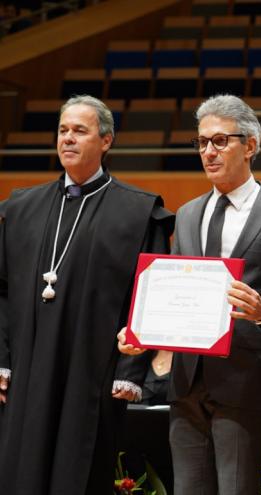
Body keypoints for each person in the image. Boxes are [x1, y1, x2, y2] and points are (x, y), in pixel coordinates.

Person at [120, 94, 261, 495]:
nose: (209, 151)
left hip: (243, 379)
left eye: (221, 141)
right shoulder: (188, 212)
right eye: (202, 142)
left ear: (251, 146)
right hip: (186, 381)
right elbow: (170, 290)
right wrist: (140, 332)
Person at [0, 95, 174, 494]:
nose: (68, 139)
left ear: (107, 141)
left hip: (92, 376)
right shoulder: (21, 206)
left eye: (80, 130)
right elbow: (2, 289)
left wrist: (130, 373)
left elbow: (149, 298)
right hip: (25, 372)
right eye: (63, 130)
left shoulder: (139, 212)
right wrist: (2, 360)